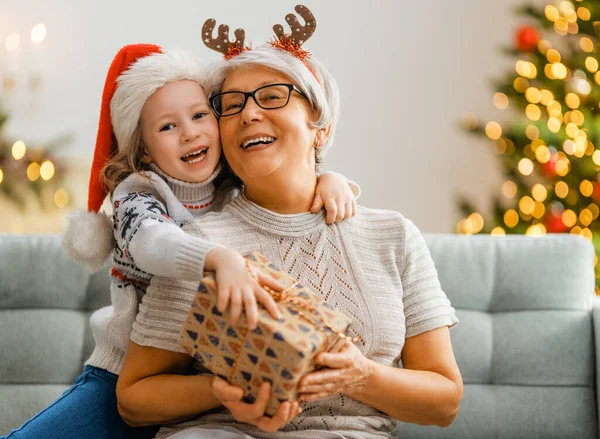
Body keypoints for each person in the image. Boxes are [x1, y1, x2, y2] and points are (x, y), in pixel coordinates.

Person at [116, 8, 463, 439]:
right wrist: (224, 390)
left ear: (321, 125)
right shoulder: (201, 242)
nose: (248, 114)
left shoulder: (392, 236)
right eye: (231, 104)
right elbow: (133, 400)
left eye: (272, 96)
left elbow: (445, 400)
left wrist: (360, 376)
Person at [1, 44, 358, 439]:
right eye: (167, 127)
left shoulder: (227, 184)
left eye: (200, 115)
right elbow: (155, 243)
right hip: (121, 373)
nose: (189, 133)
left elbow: (286, 174)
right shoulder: (138, 195)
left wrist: (330, 179)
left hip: (199, 382)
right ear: (145, 151)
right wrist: (217, 257)